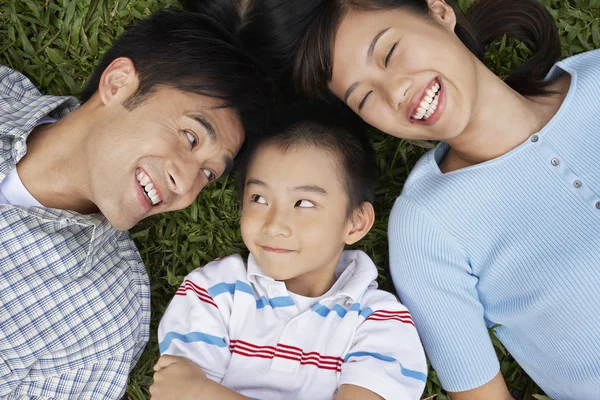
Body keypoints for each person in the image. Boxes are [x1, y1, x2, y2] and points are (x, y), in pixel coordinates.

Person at [249, 0, 600, 398]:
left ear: (439, 12)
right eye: (364, 98)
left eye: (390, 53)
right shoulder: (426, 228)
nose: (396, 91)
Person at [0, 5, 267, 398]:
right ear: (118, 82)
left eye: (208, 175)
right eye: (191, 137)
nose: (186, 185)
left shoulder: (100, 321)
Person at [151, 107, 427, 400]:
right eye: (258, 198)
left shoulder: (381, 320)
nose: (275, 225)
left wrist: (204, 394)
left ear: (356, 222)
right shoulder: (213, 291)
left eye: (304, 203)